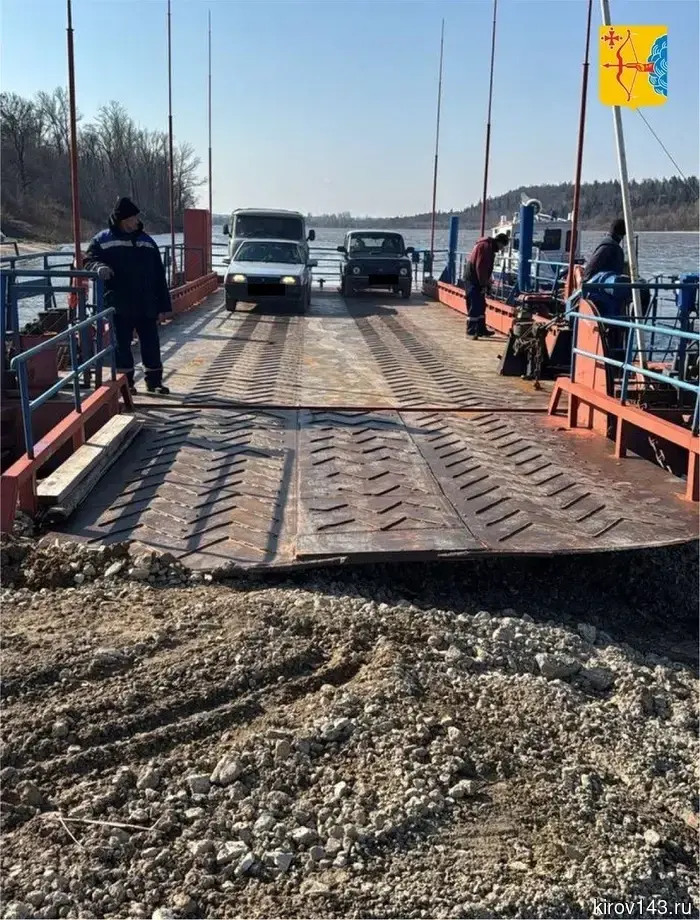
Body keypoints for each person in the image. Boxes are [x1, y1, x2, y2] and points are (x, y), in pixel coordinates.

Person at [84, 196, 171, 395]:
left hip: (146, 302)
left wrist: (163, 305)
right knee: (121, 345)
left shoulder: (146, 241)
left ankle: (154, 382)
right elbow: (88, 260)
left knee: (151, 343)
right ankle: (127, 384)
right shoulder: (103, 240)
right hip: (119, 302)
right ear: (123, 219)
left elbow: (159, 274)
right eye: (132, 218)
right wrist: (99, 267)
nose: (136, 221)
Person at [463, 232, 509, 338]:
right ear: (499, 242)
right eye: (502, 246)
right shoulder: (486, 248)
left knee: (481, 304)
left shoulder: (488, 247)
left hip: (477, 279)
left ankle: (481, 329)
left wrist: (486, 283)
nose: (501, 249)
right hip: (473, 279)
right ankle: (470, 331)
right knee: (474, 304)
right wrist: (483, 285)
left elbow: (484, 269)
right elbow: (481, 268)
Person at [581, 218, 626, 282]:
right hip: (603, 286)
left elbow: (592, 266)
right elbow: (592, 267)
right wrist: (586, 283)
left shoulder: (608, 245)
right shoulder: (609, 247)